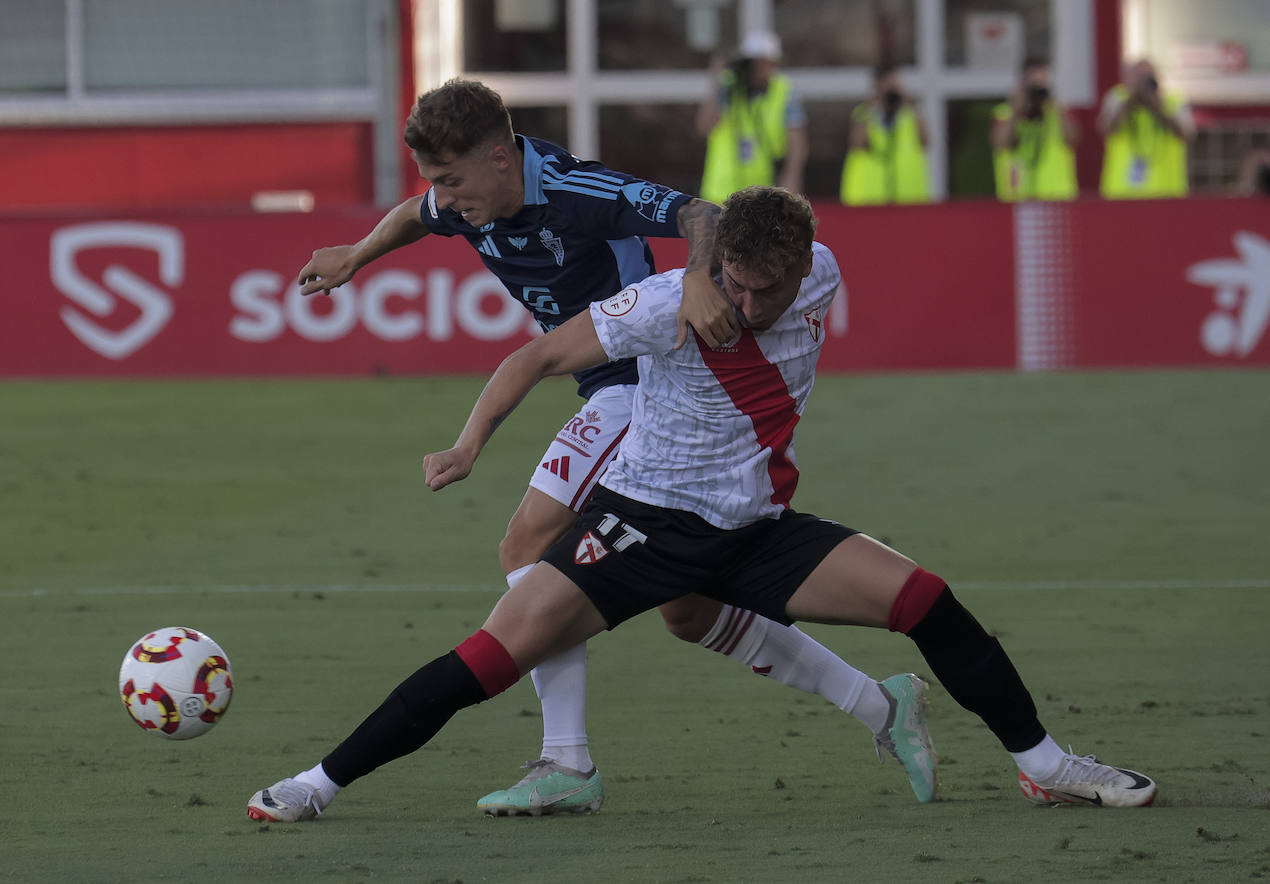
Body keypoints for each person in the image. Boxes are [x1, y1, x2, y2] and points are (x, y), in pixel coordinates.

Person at [247, 186, 1157, 824]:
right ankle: (317, 783)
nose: (750, 303)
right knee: (490, 654)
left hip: (758, 527)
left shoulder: (822, 270)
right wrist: (468, 444)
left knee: (926, 601)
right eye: (733, 282)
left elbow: (728, 223)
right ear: (713, 264)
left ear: (807, 269)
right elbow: (532, 358)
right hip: (643, 523)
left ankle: (1046, 768)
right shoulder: (661, 303)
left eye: (771, 288)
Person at [290, 79, 936, 817]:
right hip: (601, 390)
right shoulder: (467, 197)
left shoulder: (575, 190)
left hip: (642, 389)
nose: (444, 196)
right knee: (688, 611)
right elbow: (416, 214)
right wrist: (357, 255)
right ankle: (880, 706)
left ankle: (566, 760)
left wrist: (695, 279)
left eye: (452, 180)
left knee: (526, 544)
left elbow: (702, 212)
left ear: (501, 159)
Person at [697, 31, 807, 203]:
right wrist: (716, 80)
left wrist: (791, 178)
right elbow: (705, 127)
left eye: (763, 63)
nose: (758, 69)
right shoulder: (729, 87)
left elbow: (797, 142)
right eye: (753, 63)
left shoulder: (783, 91)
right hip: (720, 192)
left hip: (761, 193)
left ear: (774, 64)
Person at [1098, 59, 1195, 199]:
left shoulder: (1173, 101)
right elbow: (1106, 129)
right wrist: (1130, 102)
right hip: (1123, 192)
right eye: (1138, 78)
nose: (1143, 84)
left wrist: (1158, 107)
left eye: (1147, 78)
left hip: (1166, 191)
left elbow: (1186, 134)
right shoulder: (1118, 98)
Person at [840, 62, 931, 205]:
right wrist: (873, 105)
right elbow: (858, 143)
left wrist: (910, 104)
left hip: (907, 198)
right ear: (877, 86)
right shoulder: (865, 113)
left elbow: (926, 142)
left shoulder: (910, 115)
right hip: (869, 198)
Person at [991, 58, 1079, 201]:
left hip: (1056, 198)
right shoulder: (1005, 113)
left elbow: (1074, 138)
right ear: (1021, 83)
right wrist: (1015, 109)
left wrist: (1055, 105)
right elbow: (1001, 143)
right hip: (1017, 198)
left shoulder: (1056, 113)